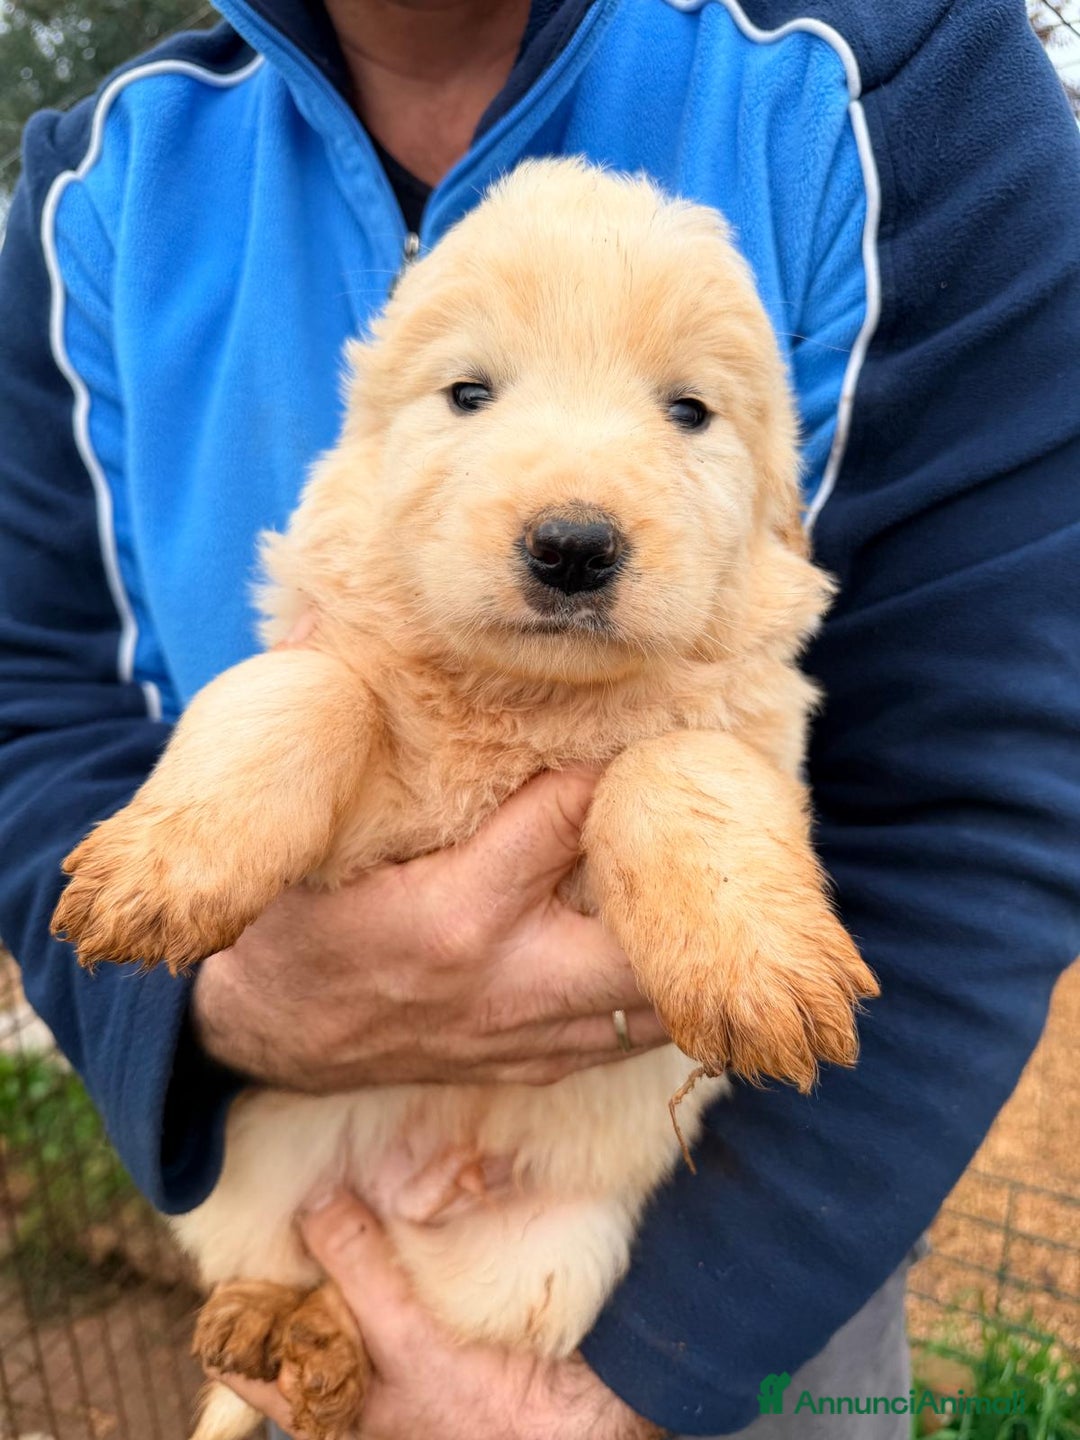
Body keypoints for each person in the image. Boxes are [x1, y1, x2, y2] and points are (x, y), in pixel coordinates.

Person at [1, 0, 1079, 1435]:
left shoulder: (902, 71)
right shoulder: (95, 178)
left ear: (767, 494)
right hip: (297, 1165)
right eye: (471, 391)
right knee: (311, 703)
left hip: (690, 1267)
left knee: (679, 791)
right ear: (366, 438)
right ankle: (296, 1322)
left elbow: (989, 773)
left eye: (691, 410)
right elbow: (30, 680)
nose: (576, 513)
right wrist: (201, 997)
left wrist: (631, 1386)